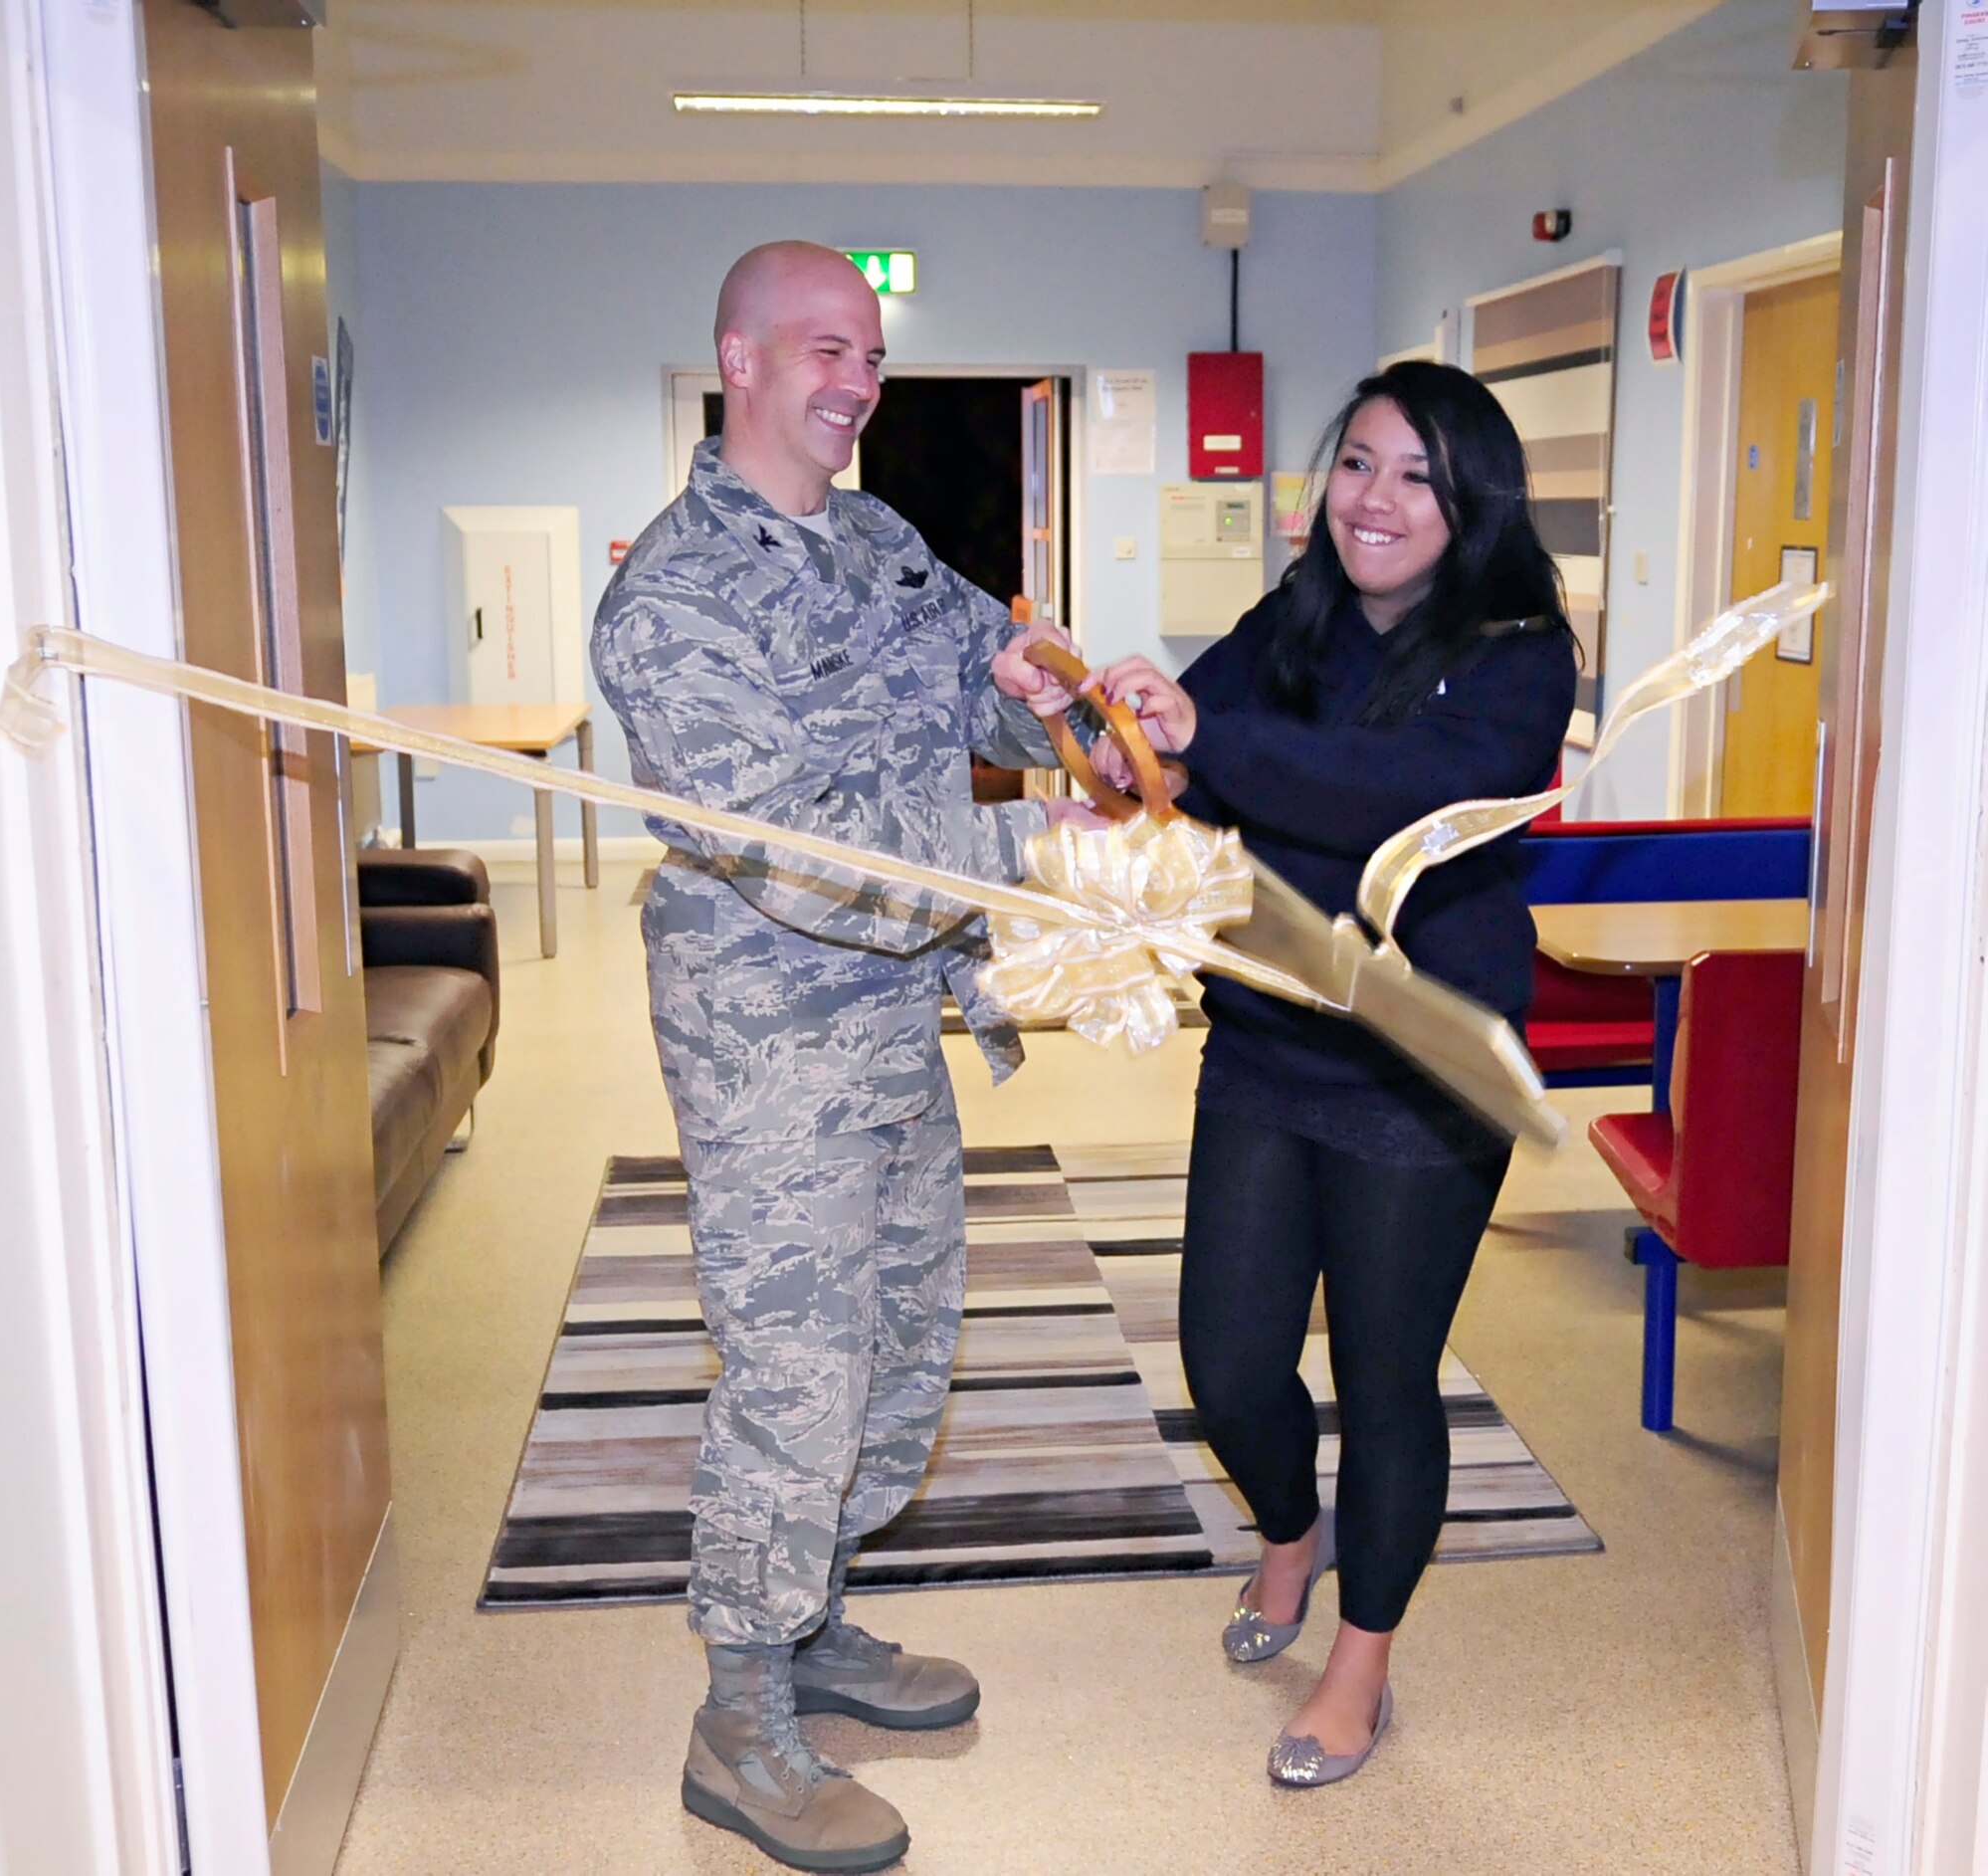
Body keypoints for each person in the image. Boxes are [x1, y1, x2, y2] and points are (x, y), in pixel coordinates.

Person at [591, 241, 1093, 1872]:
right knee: (797, 1380)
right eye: (823, 347)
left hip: (896, 1024)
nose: (855, 380)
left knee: (899, 1355)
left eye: (869, 354)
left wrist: (1061, 694)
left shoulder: (875, 538)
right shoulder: (669, 600)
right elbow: (797, 853)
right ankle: (739, 1719)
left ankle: (808, 1622)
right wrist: (1029, 858)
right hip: (769, 1044)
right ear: (736, 356)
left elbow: (981, 679)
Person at [1086, 360, 1577, 1787]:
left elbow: (1381, 796)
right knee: (1229, 1361)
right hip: (1273, 1037)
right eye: (1358, 463)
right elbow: (1190, 750)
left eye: (1417, 475)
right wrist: (1118, 761)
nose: (1376, 500)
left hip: (1422, 1065)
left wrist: (1207, 740)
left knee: (1385, 1376)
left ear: (1470, 499)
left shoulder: (1518, 652)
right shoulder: (1292, 616)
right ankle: (1286, 1527)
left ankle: (1360, 1661)